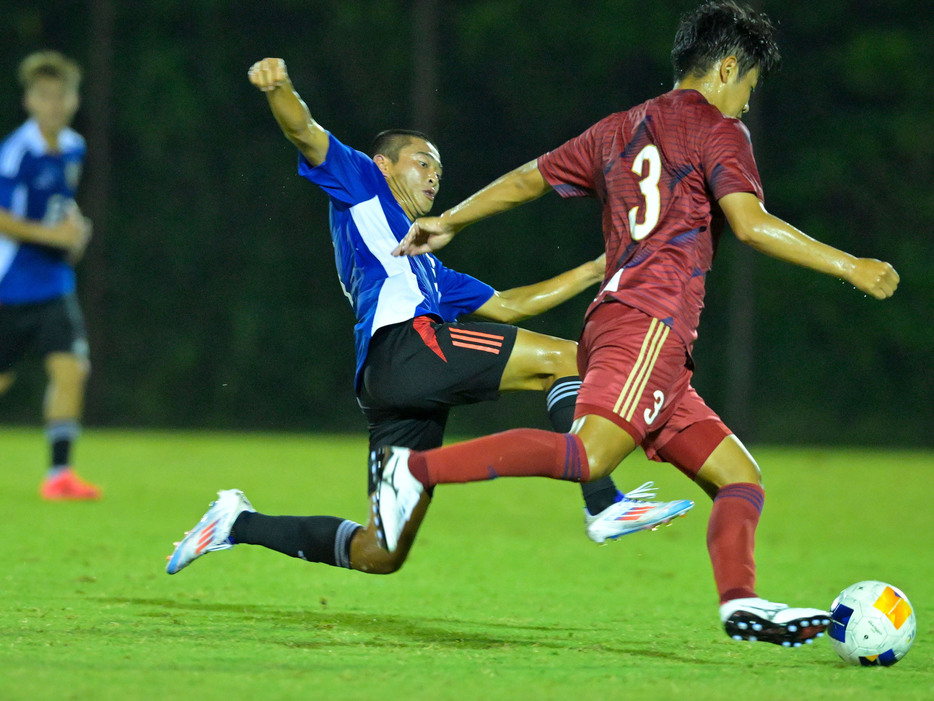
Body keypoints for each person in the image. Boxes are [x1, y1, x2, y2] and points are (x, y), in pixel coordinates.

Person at [375, 0, 900, 646]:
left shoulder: (617, 127)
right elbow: (750, 222)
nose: (744, 103)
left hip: (639, 333)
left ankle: (741, 602)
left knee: (739, 476)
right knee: (586, 454)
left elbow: (527, 179)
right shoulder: (718, 129)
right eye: (748, 87)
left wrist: (453, 217)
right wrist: (851, 265)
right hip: (648, 321)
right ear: (728, 67)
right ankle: (414, 469)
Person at [164, 58, 692, 577]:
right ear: (384, 164)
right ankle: (602, 501)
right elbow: (303, 131)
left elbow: (509, 305)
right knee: (571, 360)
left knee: (379, 552)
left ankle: (237, 523)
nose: (435, 176)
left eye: (439, 169)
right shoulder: (361, 184)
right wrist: (278, 87)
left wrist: (597, 268)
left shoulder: (430, 267)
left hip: (391, 382)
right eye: (422, 162)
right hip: (407, 348)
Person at [0, 51, 99, 500]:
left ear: (74, 100)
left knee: (72, 369)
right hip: (9, 284)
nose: (54, 104)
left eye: (61, 96)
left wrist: (75, 232)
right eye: (45, 96)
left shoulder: (74, 148)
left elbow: (60, 208)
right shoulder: (17, 151)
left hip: (53, 283)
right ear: (29, 101)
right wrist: (53, 236)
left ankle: (58, 476)